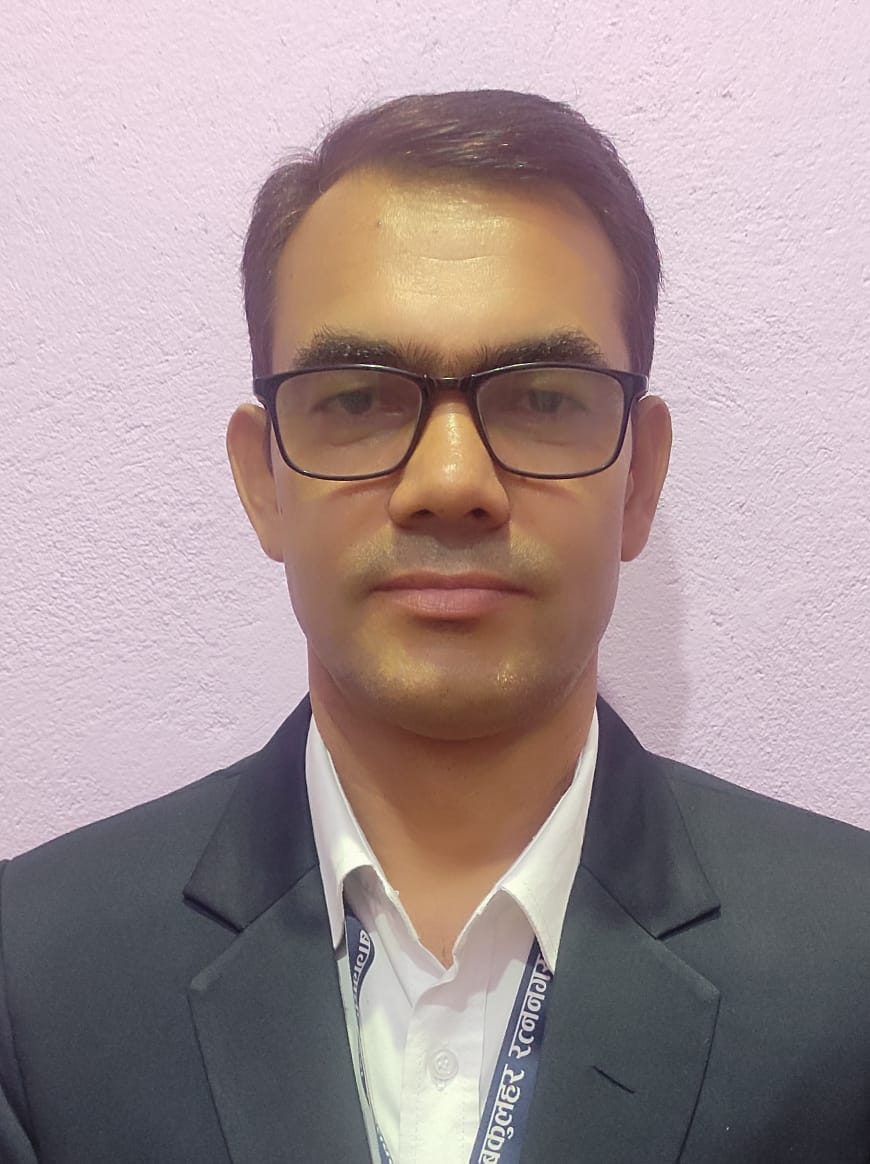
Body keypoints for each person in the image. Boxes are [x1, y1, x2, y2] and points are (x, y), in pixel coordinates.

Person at [1, 89, 868, 1164]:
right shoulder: (34, 978)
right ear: (262, 482)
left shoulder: (851, 968)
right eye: (357, 399)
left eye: (542, 399)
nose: (451, 484)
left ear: (640, 479)